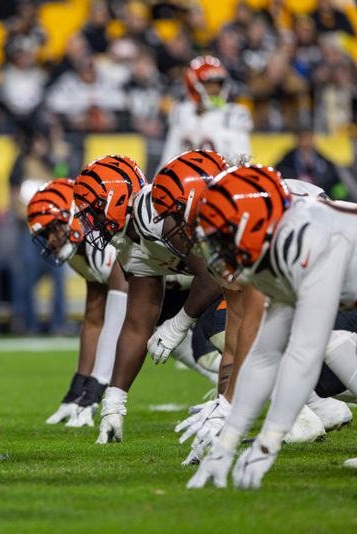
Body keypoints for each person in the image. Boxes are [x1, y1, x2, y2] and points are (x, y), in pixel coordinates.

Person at [188, 166, 357, 489]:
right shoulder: (276, 248)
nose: (214, 251)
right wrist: (228, 440)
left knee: (322, 340)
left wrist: (267, 445)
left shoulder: (305, 238)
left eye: (221, 237)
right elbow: (265, 355)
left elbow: (304, 356)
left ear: (249, 223)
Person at [73, 153, 229, 444]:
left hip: (256, 269)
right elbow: (137, 323)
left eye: (92, 211)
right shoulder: (128, 242)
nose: (89, 224)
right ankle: (313, 407)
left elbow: (212, 275)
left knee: (219, 327)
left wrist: (178, 324)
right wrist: (113, 404)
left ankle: (301, 409)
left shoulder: (156, 213)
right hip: (238, 279)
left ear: (115, 200)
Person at [26, 178, 128, 428]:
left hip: (180, 289)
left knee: (179, 339)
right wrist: (77, 391)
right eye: (45, 234)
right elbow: (94, 320)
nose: (51, 240)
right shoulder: (78, 254)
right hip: (154, 303)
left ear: (72, 215)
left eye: (53, 230)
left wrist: (95, 392)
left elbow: (118, 325)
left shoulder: (105, 243)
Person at [161, 56, 252, 166]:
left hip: (220, 180)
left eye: (218, 84)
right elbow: (168, 160)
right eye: (209, 84)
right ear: (192, 85)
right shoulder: (181, 113)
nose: (215, 89)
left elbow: (242, 164)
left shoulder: (233, 115)